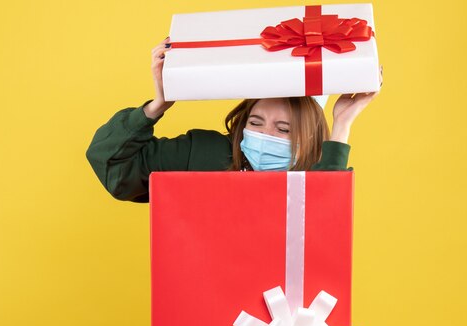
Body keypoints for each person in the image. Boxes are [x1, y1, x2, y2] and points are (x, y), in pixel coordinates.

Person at [86, 38, 382, 203]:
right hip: (200, 295)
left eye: (284, 129)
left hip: (286, 308)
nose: (265, 134)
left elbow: (327, 216)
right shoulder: (203, 153)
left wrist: (342, 125)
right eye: (255, 122)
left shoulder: (312, 177)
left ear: (307, 140)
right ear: (241, 123)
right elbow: (114, 165)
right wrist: (158, 104)